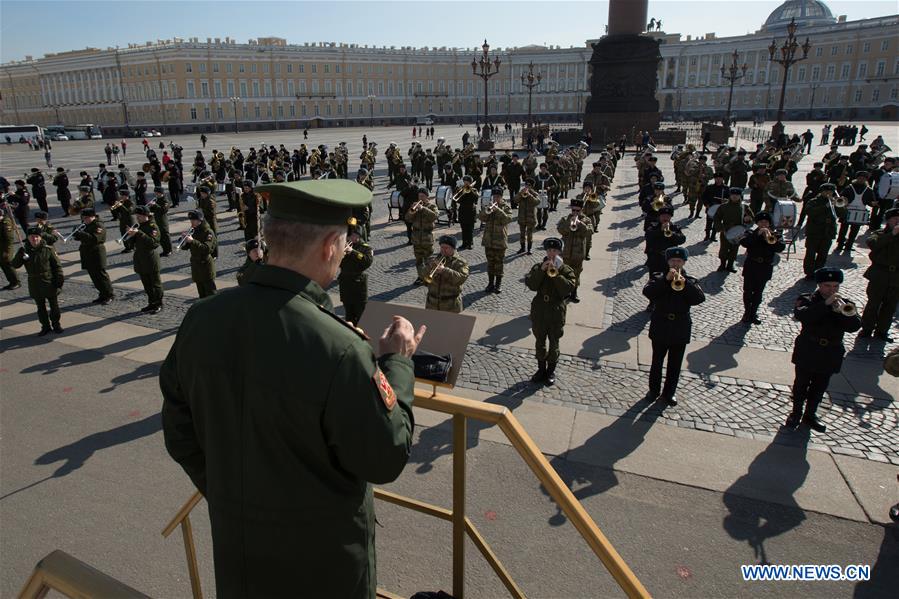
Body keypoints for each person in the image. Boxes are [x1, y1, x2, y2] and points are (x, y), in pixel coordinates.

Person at [161, 179, 424, 598]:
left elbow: (180, 435)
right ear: (329, 247)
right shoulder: (340, 348)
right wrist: (399, 362)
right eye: (344, 244)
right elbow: (386, 456)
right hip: (324, 565)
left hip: (240, 555)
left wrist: (232, 495)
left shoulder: (202, 317)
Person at [787, 267, 861, 432]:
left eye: (835, 286)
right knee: (801, 383)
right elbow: (803, 315)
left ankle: (810, 415)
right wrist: (825, 305)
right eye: (827, 286)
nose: (832, 290)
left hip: (831, 352)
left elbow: (854, 326)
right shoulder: (807, 299)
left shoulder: (846, 304)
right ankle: (796, 412)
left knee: (820, 386)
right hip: (808, 348)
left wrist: (841, 313)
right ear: (819, 285)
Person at [642, 247, 705, 405]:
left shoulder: (690, 280)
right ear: (668, 262)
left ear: (684, 262)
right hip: (661, 324)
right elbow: (648, 292)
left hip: (680, 326)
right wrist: (665, 280)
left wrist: (685, 284)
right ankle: (653, 390)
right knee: (657, 361)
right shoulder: (658, 277)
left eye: (679, 261)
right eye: (673, 261)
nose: (676, 264)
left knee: (675, 364)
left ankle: (669, 393)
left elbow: (699, 298)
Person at [525, 237, 576, 386]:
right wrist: (541, 271)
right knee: (539, 342)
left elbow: (568, 289)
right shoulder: (538, 266)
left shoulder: (566, 270)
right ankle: (541, 370)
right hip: (540, 310)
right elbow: (531, 284)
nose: (551, 253)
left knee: (554, 343)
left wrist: (556, 274)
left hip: (555, 311)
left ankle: (550, 371)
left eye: (554, 250)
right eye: (549, 250)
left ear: (559, 252)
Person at [11, 226, 64, 335]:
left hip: (48, 281)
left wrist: (59, 280)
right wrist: (19, 255)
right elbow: (15, 265)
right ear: (28, 238)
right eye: (32, 237)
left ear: (40, 237)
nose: (34, 239)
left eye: (36, 236)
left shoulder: (48, 249)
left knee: (54, 306)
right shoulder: (24, 250)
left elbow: (57, 266)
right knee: (40, 307)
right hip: (34, 283)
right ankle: (45, 326)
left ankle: (56, 325)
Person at [858, 207, 899, 341]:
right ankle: (866, 328)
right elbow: (872, 244)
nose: (897, 221)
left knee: (890, 306)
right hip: (879, 274)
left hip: (896, 277)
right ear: (888, 221)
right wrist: (892, 234)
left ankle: (882, 331)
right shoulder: (879, 234)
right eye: (895, 219)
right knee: (873, 304)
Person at [739, 211, 785, 325]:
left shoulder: (775, 235)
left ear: (769, 223)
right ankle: (747, 312)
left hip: (765, 267)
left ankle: (753, 313)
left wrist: (770, 237)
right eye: (761, 222)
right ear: (757, 223)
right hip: (751, 266)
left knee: (758, 292)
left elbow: (780, 247)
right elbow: (744, 242)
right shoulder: (750, 233)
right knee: (748, 291)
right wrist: (757, 234)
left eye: (766, 222)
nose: (764, 224)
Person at [123, 206, 163, 314]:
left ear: (146, 215)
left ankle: (158, 303)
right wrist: (131, 235)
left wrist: (139, 233)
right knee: (147, 285)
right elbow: (132, 244)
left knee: (155, 284)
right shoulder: (139, 226)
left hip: (150, 258)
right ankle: (151, 303)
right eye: (137, 216)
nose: (137, 218)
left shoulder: (153, 227)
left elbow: (154, 243)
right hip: (140, 258)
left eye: (139, 216)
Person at [71, 208, 114, 304]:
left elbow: (95, 239)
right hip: (87, 252)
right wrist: (76, 234)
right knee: (93, 276)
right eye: (83, 218)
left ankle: (109, 295)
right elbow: (82, 237)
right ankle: (102, 294)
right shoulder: (87, 224)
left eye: (86, 218)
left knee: (101, 275)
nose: (84, 220)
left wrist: (81, 234)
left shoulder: (98, 225)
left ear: (92, 216)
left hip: (96, 252)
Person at [557, 198, 591, 303]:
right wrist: (569, 223)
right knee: (565, 273)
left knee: (576, 273)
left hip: (578, 253)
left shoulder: (586, 220)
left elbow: (589, 232)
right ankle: (565, 292)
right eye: (573, 210)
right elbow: (560, 230)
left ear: (581, 210)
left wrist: (580, 223)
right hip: (566, 252)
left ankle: (574, 292)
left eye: (577, 210)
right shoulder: (565, 219)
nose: (575, 213)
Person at [479, 187, 513, 293]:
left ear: (501, 197)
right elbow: (481, 218)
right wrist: (487, 211)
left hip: (500, 241)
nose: (495, 199)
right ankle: (490, 284)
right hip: (489, 241)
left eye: (497, 197)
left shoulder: (506, 207)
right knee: (490, 263)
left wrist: (498, 210)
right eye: (494, 197)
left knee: (499, 264)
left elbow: (507, 219)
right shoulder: (489, 205)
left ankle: (498, 285)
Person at [338, 224, 374, 325]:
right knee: (348, 315)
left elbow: (367, 261)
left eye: (352, 235)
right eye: (349, 235)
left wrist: (352, 252)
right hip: (345, 283)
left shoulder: (366, 248)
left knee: (360, 315)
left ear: (358, 235)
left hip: (358, 284)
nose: (349, 237)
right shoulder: (344, 246)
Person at [801, 183, 839, 278]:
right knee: (810, 254)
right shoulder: (813, 201)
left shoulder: (834, 202)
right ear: (822, 192)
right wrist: (825, 206)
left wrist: (839, 206)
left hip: (828, 233)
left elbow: (843, 214)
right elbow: (809, 212)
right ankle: (809, 273)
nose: (829, 193)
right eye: (826, 191)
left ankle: (818, 272)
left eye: (831, 192)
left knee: (823, 255)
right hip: (814, 232)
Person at [424, 235, 469, 313]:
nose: (443, 250)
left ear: (453, 248)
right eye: (442, 247)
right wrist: (428, 268)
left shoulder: (461, 263)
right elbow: (424, 278)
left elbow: (461, 279)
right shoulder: (433, 259)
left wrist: (444, 270)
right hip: (432, 304)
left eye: (446, 248)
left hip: (451, 305)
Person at [713, 187, 752, 273]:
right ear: (730, 195)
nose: (734, 196)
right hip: (725, 231)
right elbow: (717, 218)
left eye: (737, 195)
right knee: (724, 249)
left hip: (738, 233)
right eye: (733, 195)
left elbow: (751, 219)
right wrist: (721, 228)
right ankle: (722, 264)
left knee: (734, 249)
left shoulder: (744, 207)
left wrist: (748, 220)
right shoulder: (723, 207)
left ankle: (730, 265)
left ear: (740, 196)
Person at [835, 170, 874, 255]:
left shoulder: (868, 190)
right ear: (856, 178)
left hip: (860, 213)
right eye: (860, 178)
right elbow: (842, 197)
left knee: (854, 230)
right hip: (847, 211)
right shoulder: (849, 188)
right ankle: (840, 244)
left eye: (863, 178)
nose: (861, 179)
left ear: (866, 179)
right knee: (843, 229)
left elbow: (870, 201)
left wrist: (872, 203)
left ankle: (849, 245)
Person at [404, 188, 438, 285]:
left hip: (427, 238)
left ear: (427, 197)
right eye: (419, 196)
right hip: (416, 238)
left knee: (428, 260)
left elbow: (434, 216)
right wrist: (412, 211)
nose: (420, 198)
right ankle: (420, 277)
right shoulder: (415, 206)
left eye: (422, 196)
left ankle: (428, 277)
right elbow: (407, 219)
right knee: (419, 260)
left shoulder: (432, 206)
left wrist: (423, 209)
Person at [181, 210, 217, 298]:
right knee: (201, 293)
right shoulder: (194, 230)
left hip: (205, 265)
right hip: (196, 264)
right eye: (190, 220)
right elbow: (186, 247)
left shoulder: (208, 232)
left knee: (210, 293)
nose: (191, 222)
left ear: (200, 220)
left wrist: (192, 241)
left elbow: (207, 249)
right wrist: (184, 241)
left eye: (193, 220)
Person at [515, 178, 541, 255]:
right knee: (522, 234)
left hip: (531, 218)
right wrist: (520, 194)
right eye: (526, 184)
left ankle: (529, 249)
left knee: (529, 235)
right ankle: (522, 248)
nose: (527, 186)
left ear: (532, 186)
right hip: (522, 217)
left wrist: (529, 195)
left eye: (529, 185)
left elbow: (537, 202)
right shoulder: (521, 192)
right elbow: (515, 200)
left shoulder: (534, 193)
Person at [0, 203, 21, 290]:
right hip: (1, 247)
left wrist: (6, 251)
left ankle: (16, 282)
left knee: (8, 264)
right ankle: (11, 281)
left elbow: (9, 239)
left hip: (6, 248)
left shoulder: (6, 222)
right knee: (3, 265)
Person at [454, 176, 479, 250]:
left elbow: (476, 198)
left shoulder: (474, 190)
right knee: (464, 228)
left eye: (467, 182)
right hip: (462, 211)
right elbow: (457, 200)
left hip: (471, 211)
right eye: (464, 182)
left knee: (470, 229)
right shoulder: (461, 190)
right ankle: (464, 243)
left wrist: (470, 190)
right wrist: (459, 191)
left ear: (470, 182)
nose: (465, 184)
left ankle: (470, 243)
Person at [111, 186, 136, 253]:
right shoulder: (121, 201)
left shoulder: (131, 203)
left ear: (126, 196)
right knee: (123, 233)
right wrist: (115, 206)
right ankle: (127, 247)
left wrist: (121, 205)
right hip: (122, 220)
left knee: (130, 234)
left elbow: (129, 211)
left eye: (122, 195)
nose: (121, 197)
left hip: (129, 220)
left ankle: (132, 247)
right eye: (121, 195)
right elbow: (113, 210)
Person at [149, 186, 172, 257]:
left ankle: (169, 250)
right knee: (161, 236)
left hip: (163, 221)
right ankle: (165, 250)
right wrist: (151, 206)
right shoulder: (157, 199)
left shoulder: (165, 200)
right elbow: (153, 210)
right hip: (156, 220)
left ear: (161, 193)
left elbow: (163, 210)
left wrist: (155, 205)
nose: (156, 194)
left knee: (165, 236)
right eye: (155, 192)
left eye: (157, 193)